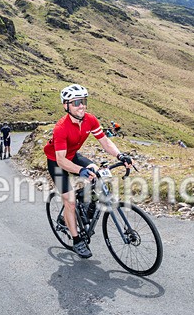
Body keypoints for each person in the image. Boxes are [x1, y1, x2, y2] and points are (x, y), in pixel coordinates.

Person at [44, 84, 132, 259]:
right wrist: (81, 170)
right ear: (66, 105)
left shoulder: (90, 120)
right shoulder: (61, 128)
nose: (81, 106)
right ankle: (77, 240)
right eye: (76, 102)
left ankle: (87, 205)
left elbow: (105, 142)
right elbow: (61, 160)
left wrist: (120, 155)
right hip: (56, 161)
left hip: (73, 155)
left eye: (83, 101)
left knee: (98, 174)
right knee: (69, 201)